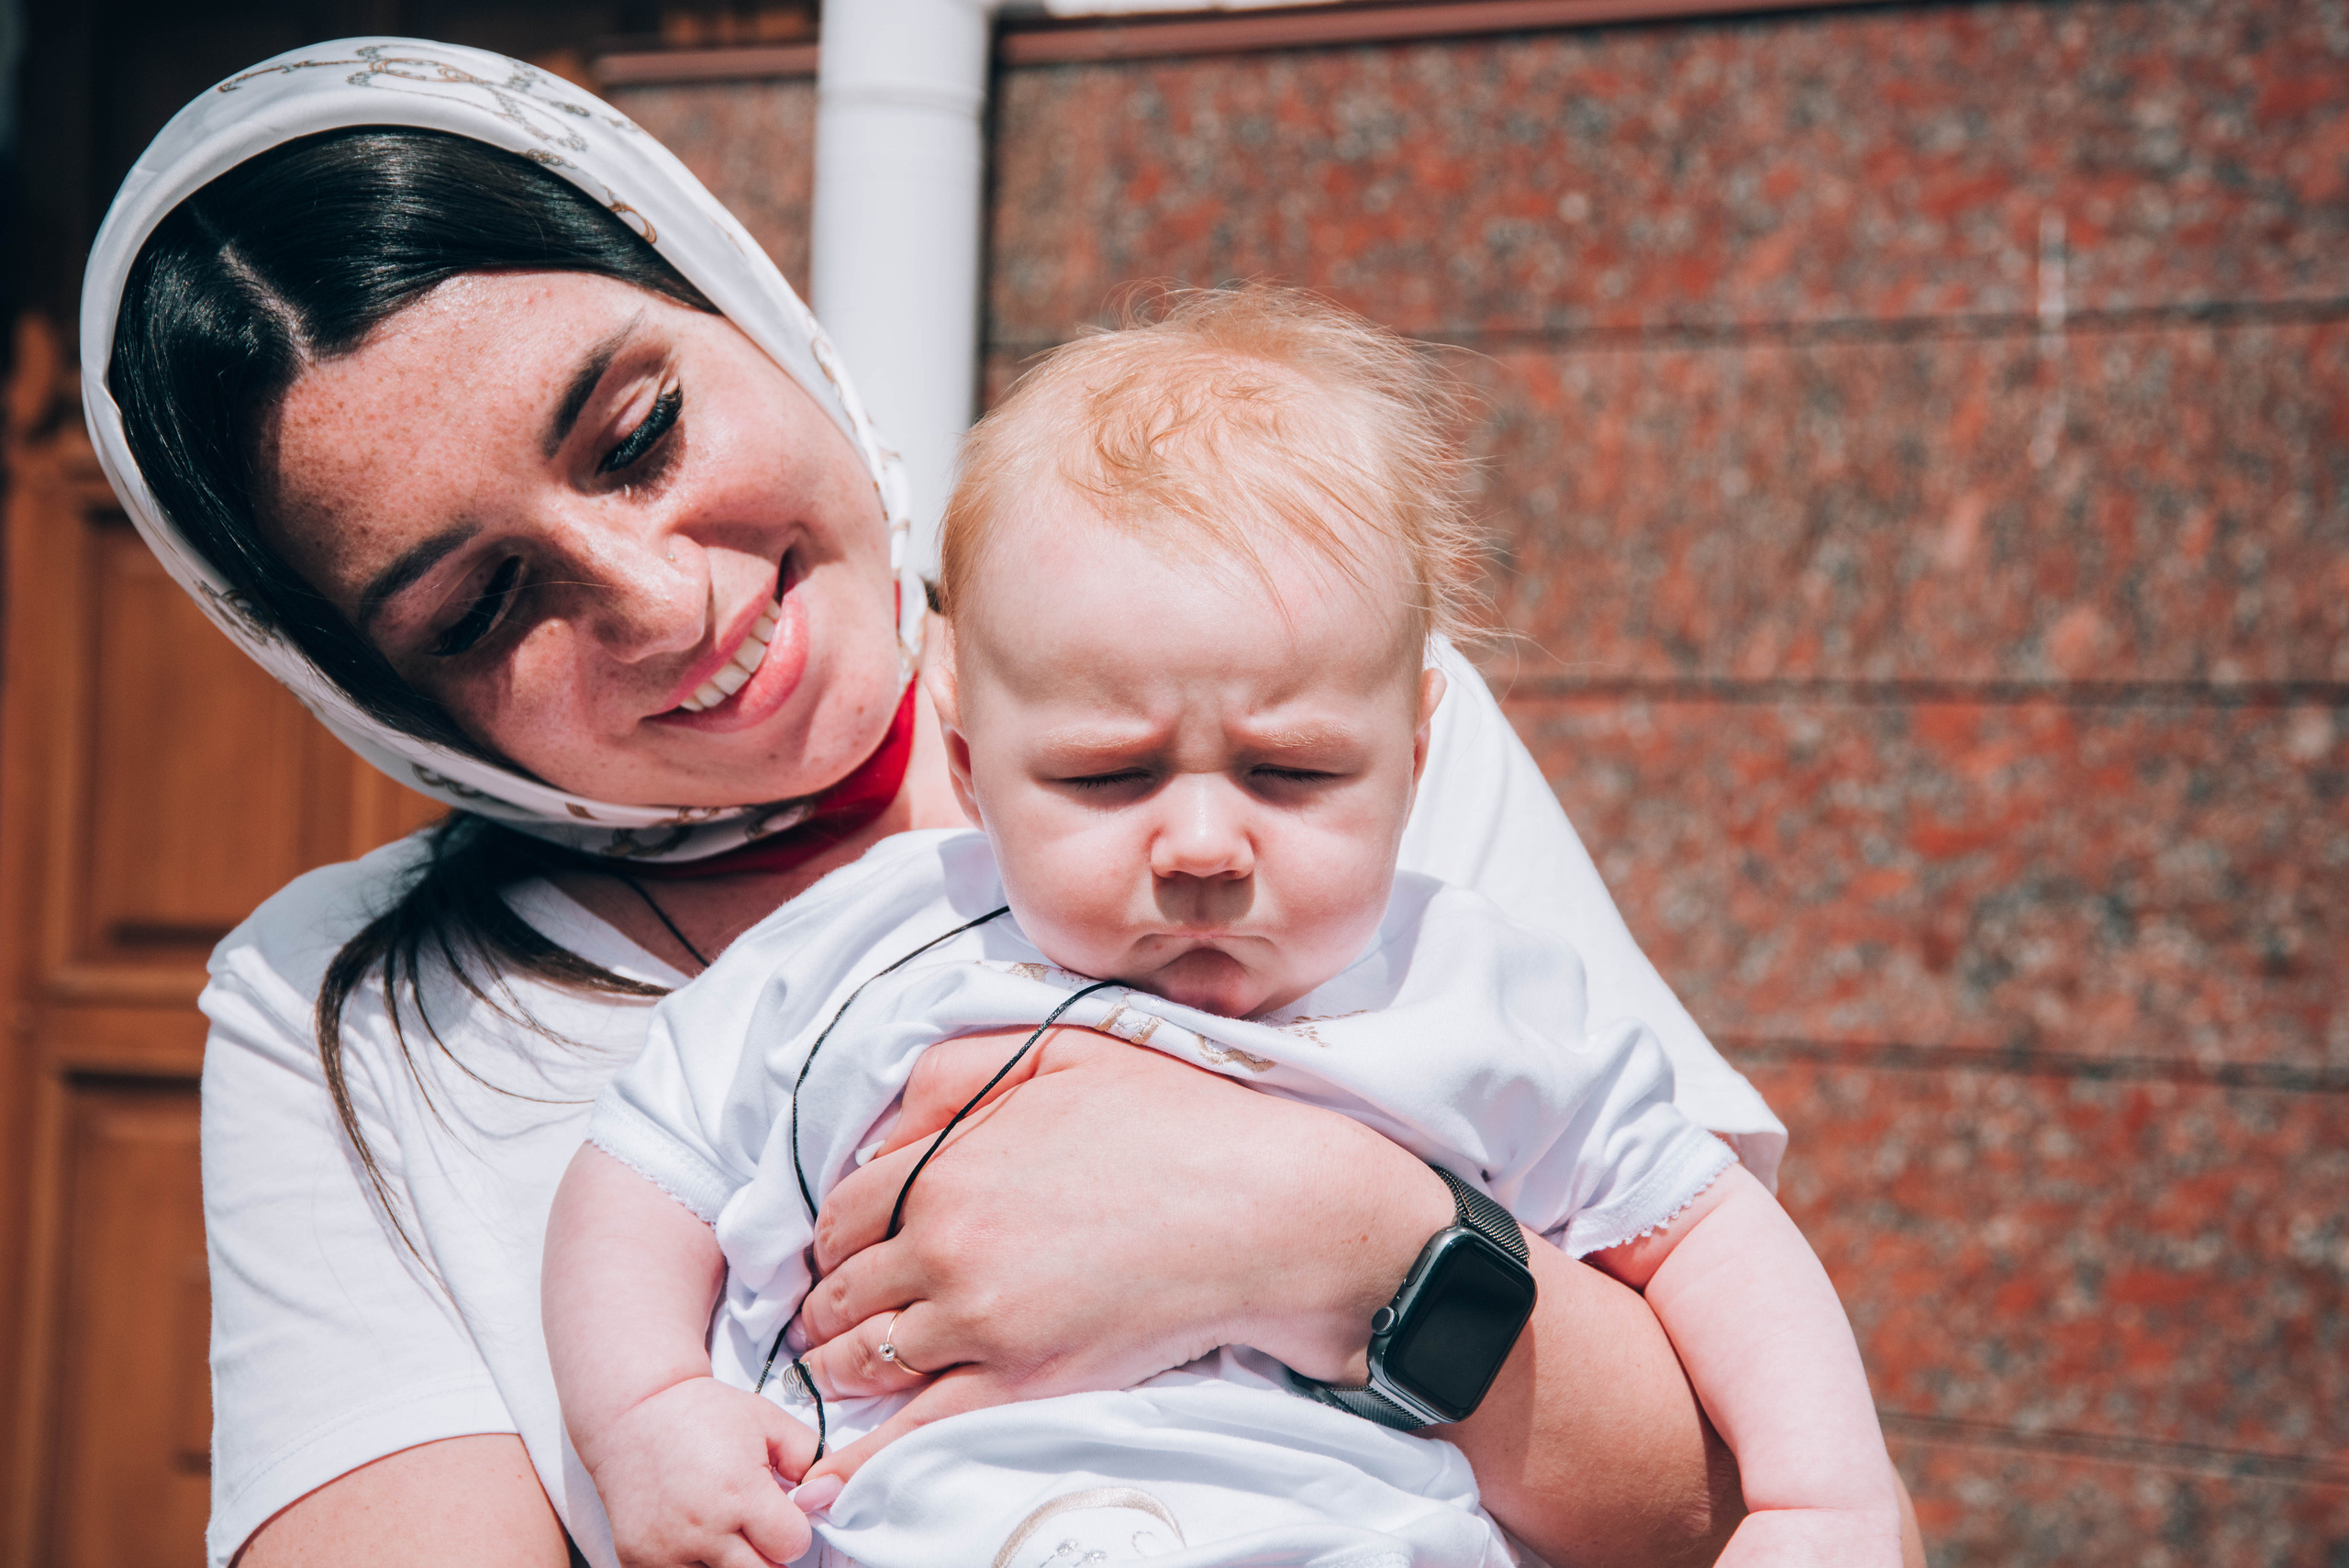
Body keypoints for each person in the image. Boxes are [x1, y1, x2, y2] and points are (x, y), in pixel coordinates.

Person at [78, 36, 1845, 1568]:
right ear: (381, 697)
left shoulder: (1287, 721)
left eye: (638, 434)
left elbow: (1711, 1498)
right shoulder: (347, 1011)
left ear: (738, 301)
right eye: (478, 609)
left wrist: (1332, 1232)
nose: (661, 598)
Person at [541, 289, 1902, 1568]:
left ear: (1417, 757)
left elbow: (1707, 1227)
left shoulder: (1469, 983)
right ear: (967, 757)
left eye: (1291, 773)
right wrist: (650, 1407)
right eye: (1106, 777)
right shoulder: (879, 943)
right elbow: (643, 1167)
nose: (1201, 845)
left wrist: (1815, 1493)